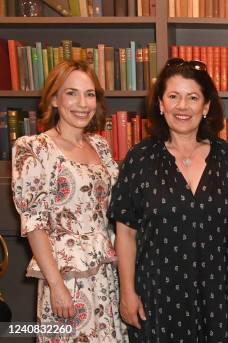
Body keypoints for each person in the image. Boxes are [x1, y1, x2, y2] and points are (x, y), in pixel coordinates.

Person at [108, 58, 228, 342]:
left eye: (193, 97)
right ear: (160, 104)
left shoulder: (227, 157)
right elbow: (126, 233)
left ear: (206, 106)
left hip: (218, 296)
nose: (183, 106)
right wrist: (127, 293)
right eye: (174, 96)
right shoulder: (140, 158)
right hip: (158, 298)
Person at [11, 60, 128, 341]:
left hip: (106, 276)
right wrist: (56, 286)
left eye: (89, 94)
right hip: (66, 279)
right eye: (71, 93)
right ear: (54, 98)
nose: (82, 103)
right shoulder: (34, 149)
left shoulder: (100, 145)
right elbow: (34, 223)